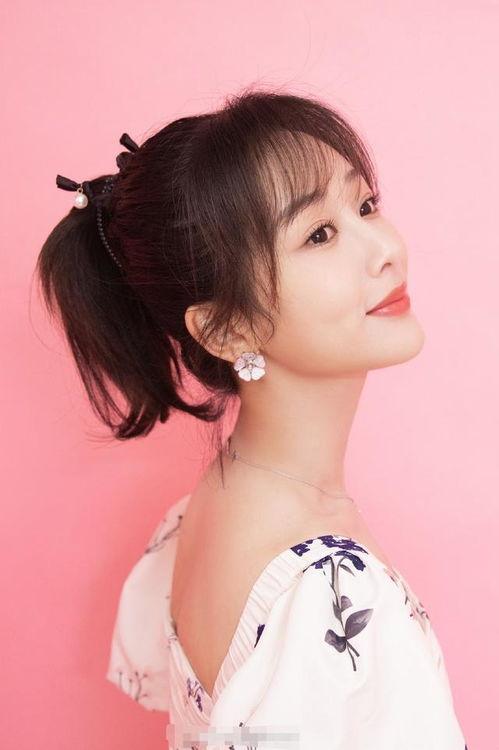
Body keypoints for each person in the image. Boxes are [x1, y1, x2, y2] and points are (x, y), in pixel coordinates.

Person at [35, 88, 468, 749]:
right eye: (318, 234)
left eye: (364, 205)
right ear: (226, 328)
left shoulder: (214, 503)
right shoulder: (322, 591)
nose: (383, 248)